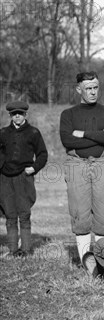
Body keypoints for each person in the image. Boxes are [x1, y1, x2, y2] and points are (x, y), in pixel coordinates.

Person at [59, 71, 104, 271]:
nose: (93, 92)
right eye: (88, 89)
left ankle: (103, 263)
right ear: (79, 89)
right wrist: (99, 135)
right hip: (77, 165)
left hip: (103, 164)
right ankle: (89, 266)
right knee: (80, 214)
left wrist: (83, 134)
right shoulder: (68, 114)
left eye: (95, 88)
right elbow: (68, 140)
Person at [0, 101, 47, 257]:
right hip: (5, 178)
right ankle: (13, 250)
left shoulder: (33, 132)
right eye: (14, 114)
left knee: (24, 213)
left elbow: (42, 154)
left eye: (20, 113)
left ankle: (26, 250)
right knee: (10, 214)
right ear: (10, 115)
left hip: (23, 176)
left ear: (25, 114)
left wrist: (34, 167)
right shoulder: (3, 132)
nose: (17, 116)